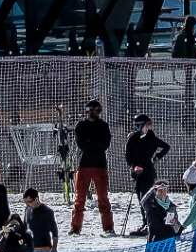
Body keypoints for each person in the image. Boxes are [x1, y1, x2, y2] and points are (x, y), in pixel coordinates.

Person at [72, 99, 115, 235]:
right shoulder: (81, 125)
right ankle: (75, 228)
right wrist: (94, 143)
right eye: (95, 110)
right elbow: (81, 144)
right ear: (88, 110)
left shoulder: (103, 125)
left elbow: (105, 144)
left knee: (103, 197)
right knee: (80, 199)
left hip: (100, 165)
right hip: (84, 165)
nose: (97, 113)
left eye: (99, 110)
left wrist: (91, 142)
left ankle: (108, 227)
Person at [123, 113, 169, 197]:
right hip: (137, 171)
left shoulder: (151, 138)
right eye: (145, 126)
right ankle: (143, 210)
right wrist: (133, 166)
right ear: (139, 126)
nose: (147, 128)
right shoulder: (132, 139)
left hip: (148, 170)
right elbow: (128, 156)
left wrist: (158, 156)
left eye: (148, 126)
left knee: (146, 194)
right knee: (139, 194)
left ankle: (148, 209)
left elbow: (166, 147)